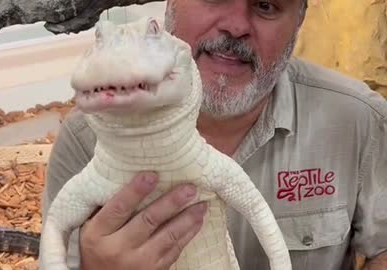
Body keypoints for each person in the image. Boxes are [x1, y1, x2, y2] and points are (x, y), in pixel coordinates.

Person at [41, 0, 387, 269]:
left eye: (266, 5)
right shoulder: (84, 137)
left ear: (299, 22)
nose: (236, 26)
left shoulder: (359, 119)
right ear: (170, 5)